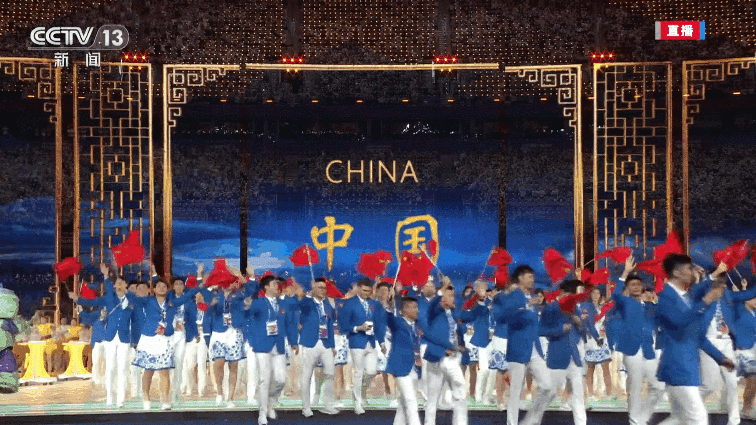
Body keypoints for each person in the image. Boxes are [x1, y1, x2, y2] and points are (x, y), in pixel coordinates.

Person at [655, 254, 734, 425]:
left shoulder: (685, 297)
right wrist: (706, 300)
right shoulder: (666, 297)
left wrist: (720, 358)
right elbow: (680, 324)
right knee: (698, 419)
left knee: (679, 419)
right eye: (690, 268)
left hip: (686, 369)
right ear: (677, 272)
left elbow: (697, 336)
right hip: (678, 368)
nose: (693, 272)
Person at [125, 276, 200, 410]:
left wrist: (200, 284)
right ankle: (146, 399)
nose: (161, 288)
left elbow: (187, 296)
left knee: (164, 370)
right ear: (153, 289)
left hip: (165, 339)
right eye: (158, 286)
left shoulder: (172, 303)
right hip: (149, 338)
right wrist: (124, 289)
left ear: (168, 289)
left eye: (164, 286)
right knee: (148, 370)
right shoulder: (148, 301)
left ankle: (164, 400)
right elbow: (134, 298)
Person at [611, 257, 665, 425]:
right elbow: (615, 295)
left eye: (638, 284)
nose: (636, 287)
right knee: (635, 387)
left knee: (659, 387)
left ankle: (642, 417)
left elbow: (661, 321)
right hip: (632, 350)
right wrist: (625, 272)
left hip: (648, 350)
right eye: (632, 284)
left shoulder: (649, 306)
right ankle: (635, 421)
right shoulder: (625, 302)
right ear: (627, 287)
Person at [423, 281, 486, 425]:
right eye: (450, 295)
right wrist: (442, 289)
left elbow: (472, 315)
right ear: (443, 298)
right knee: (433, 398)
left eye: (453, 295)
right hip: (436, 358)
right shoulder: (434, 313)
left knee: (460, 394)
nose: (453, 298)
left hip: (451, 360)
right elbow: (433, 305)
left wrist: (481, 299)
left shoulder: (454, 313)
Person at [699, 270, 756, 425]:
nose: (724, 286)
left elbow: (749, 294)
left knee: (732, 383)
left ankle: (734, 421)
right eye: (720, 283)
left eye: (724, 283)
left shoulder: (728, 296)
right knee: (709, 386)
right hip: (709, 342)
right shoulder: (703, 297)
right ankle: (690, 406)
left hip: (726, 343)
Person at [72, 263, 134, 407]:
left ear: (126, 285)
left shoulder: (131, 300)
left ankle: (120, 398)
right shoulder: (110, 299)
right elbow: (94, 300)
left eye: (121, 283)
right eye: (117, 283)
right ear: (114, 286)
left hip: (125, 338)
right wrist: (78, 300)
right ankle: (110, 396)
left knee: (122, 368)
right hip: (110, 337)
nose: (119, 285)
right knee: (110, 368)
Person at [499, 265, 552, 425]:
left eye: (533, 277)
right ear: (520, 278)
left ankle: (530, 420)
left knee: (548, 386)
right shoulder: (513, 295)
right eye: (529, 276)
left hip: (535, 349)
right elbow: (507, 316)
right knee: (516, 391)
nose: (532, 279)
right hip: (518, 348)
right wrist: (526, 306)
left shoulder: (533, 298)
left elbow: (534, 324)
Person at [248, 274, 297, 425]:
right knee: (264, 379)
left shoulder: (282, 304)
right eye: (274, 284)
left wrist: (293, 342)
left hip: (279, 345)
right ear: (266, 287)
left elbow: (289, 324)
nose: (277, 286)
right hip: (262, 345)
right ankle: (262, 412)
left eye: (277, 284)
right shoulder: (258, 303)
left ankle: (269, 400)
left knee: (281, 379)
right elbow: (248, 314)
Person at [338, 278, 385, 415]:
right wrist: (357, 328)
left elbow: (379, 324)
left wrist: (381, 342)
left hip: (371, 342)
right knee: (358, 372)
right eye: (364, 290)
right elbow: (343, 325)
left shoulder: (374, 304)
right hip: (357, 342)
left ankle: (361, 392)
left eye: (369, 291)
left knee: (371, 371)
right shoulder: (349, 304)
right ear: (358, 288)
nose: (366, 293)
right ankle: (357, 402)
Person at [294, 277, 339, 417]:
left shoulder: (327, 304)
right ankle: (306, 407)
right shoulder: (307, 303)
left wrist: (332, 345)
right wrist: (308, 295)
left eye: (324, 288)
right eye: (319, 287)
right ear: (313, 288)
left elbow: (330, 325)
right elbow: (299, 306)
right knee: (307, 374)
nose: (322, 290)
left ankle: (327, 405)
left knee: (330, 372)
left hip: (325, 343)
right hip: (310, 343)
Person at [383, 284, 422, 425]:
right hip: (400, 367)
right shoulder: (398, 323)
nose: (417, 310)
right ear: (405, 309)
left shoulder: (416, 326)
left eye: (417, 307)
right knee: (411, 400)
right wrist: (390, 303)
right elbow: (389, 318)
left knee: (403, 403)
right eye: (414, 307)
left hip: (414, 368)